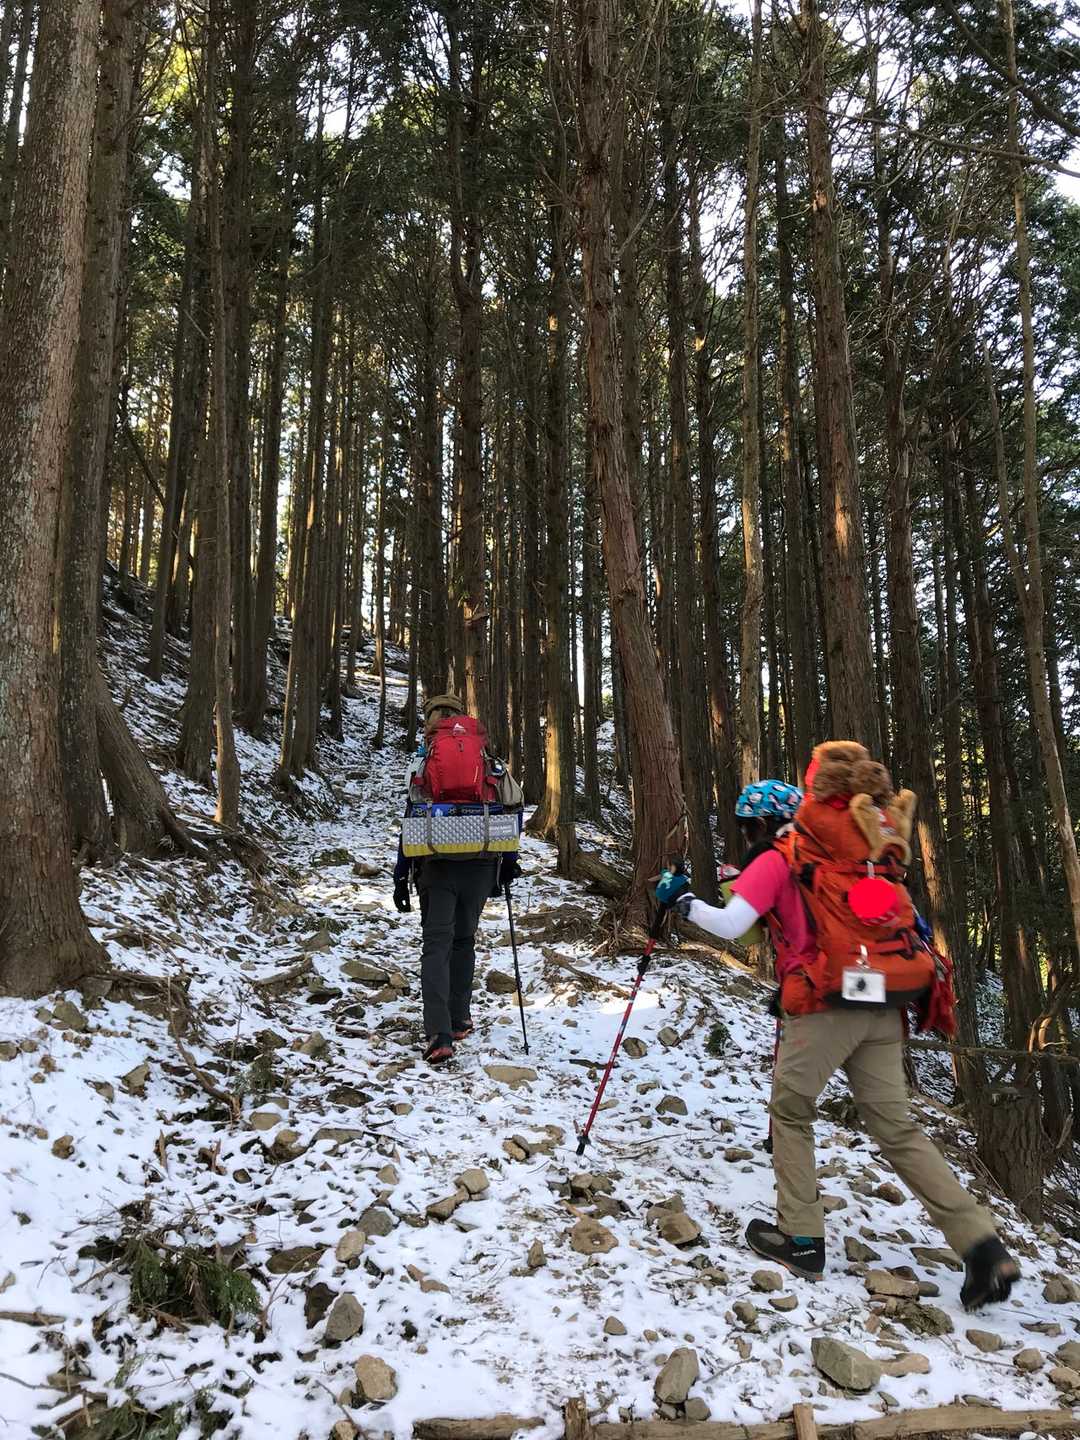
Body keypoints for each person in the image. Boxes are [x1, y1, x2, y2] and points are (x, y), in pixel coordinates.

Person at [656, 742, 1019, 1311]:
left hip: (825, 1005)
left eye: (749, 828)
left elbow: (730, 925)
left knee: (791, 1111)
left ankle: (801, 1238)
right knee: (897, 1129)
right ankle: (982, 1247)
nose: (748, 836)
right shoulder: (869, 857)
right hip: (884, 1003)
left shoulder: (782, 856)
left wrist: (682, 902)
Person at [393, 693, 523, 1065]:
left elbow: (411, 819)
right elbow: (512, 807)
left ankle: (439, 1034)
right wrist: (509, 861)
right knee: (464, 940)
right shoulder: (487, 759)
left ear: (430, 721)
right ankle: (460, 1017)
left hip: (436, 864)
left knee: (436, 945)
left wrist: (401, 875)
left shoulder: (422, 762)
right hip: (481, 864)